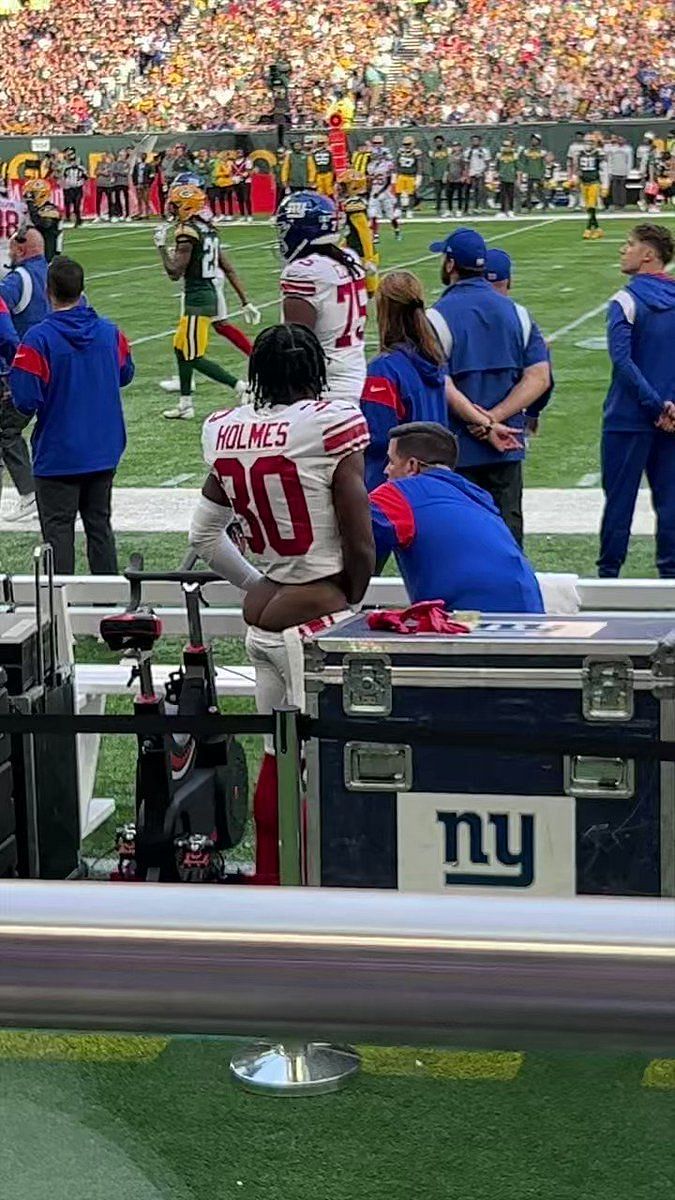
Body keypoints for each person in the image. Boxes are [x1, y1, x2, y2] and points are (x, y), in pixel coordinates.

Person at [191, 324, 374, 884]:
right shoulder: (331, 424)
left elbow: (203, 537)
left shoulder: (223, 429)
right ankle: (318, 886)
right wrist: (351, 592)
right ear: (315, 369)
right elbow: (360, 538)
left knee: (277, 756)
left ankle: (272, 878)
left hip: (265, 621)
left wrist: (257, 585)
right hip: (315, 621)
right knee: (321, 770)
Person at [9, 256, 134, 574]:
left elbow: (25, 400)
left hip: (59, 454)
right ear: (82, 289)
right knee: (100, 530)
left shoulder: (38, 339)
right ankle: (108, 610)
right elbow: (125, 373)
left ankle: (61, 614)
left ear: (48, 292)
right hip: (103, 450)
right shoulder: (110, 332)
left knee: (58, 535)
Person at [426, 227, 551, 544]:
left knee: (459, 543)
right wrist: (496, 417)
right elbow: (539, 377)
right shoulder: (518, 313)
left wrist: (481, 421)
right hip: (506, 446)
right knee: (507, 541)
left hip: (454, 449)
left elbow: (439, 382)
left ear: (451, 265)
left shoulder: (436, 317)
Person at [362, 270, 518, 490]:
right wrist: (488, 424)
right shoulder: (433, 362)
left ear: (383, 311)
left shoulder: (384, 370)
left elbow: (379, 440)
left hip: (395, 490)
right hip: (434, 482)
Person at [370, 423, 544, 613]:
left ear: (412, 466)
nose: (386, 470)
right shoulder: (477, 496)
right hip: (530, 606)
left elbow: (350, 526)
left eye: (391, 462)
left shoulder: (400, 493)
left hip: (472, 616)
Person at [598, 224, 675, 579]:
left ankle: (609, 576)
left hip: (629, 418)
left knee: (619, 501)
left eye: (629, 245)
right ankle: (670, 579)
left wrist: (653, 404)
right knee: (670, 502)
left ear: (648, 255)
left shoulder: (625, 300)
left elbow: (622, 361)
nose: (621, 251)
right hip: (671, 419)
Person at [154, 182, 259, 420]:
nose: (171, 207)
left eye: (176, 204)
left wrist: (161, 247)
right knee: (180, 348)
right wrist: (245, 301)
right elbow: (228, 268)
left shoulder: (187, 232)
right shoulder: (207, 229)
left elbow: (174, 273)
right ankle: (185, 404)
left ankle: (239, 386)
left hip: (197, 299)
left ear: (187, 206)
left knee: (193, 355)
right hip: (205, 293)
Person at [277, 190, 367, 399]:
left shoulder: (304, 271)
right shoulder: (348, 258)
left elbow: (296, 345)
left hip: (324, 386)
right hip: (355, 375)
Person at [0, 226, 50, 522]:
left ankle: (29, 494)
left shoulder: (18, 279)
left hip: (24, 367)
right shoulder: (54, 272)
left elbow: (5, 328)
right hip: (57, 366)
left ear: (21, 249)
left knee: (8, 430)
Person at [336, 169, 378, 296]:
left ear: (353, 186)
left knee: (368, 292)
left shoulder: (354, 205)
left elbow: (364, 232)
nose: (340, 188)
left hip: (360, 251)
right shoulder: (352, 202)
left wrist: (368, 257)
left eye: (344, 185)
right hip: (353, 247)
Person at [366, 138, 401, 243]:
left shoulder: (387, 165)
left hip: (385, 192)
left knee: (391, 215)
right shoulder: (370, 166)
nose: (373, 156)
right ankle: (375, 235)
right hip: (374, 191)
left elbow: (389, 181)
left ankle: (397, 230)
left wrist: (380, 192)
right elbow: (370, 180)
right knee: (372, 214)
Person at [22, 179, 62, 262]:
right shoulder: (30, 210)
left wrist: (31, 207)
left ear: (42, 194)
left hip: (47, 253)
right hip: (32, 252)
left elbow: (43, 224)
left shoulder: (50, 209)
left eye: (33, 193)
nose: (29, 196)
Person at [575, 133, 606, 240]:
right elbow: (577, 168)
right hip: (584, 182)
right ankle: (597, 229)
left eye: (591, 142)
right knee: (589, 208)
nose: (589, 144)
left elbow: (603, 168)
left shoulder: (598, 153)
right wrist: (576, 178)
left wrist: (604, 184)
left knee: (592, 206)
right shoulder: (580, 154)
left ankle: (588, 229)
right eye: (587, 142)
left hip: (594, 182)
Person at [393, 134, 422, 220]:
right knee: (398, 193)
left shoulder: (416, 153)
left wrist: (418, 177)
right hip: (401, 174)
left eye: (408, 144)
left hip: (411, 175)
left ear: (413, 144)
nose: (406, 146)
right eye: (405, 144)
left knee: (411, 194)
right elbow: (396, 163)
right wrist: (395, 174)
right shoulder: (400, 151)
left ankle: (409, 210)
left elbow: (419, 166)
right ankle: (398, 208)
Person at [59, 148, 87, 228]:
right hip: (69, 187)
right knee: (68, 203)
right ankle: (69, 218)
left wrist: (81, 180)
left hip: (78, 187)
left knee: (77, 205)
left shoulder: (80, 168)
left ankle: (78, 220)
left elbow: (86, 176)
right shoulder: (65, 167)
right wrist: (64, 184)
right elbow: (62, 176)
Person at [463, 134, 490, 213]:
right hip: (471, 173)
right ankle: (474, 206)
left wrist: (484, 171)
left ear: (480, 141)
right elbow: (466, 163)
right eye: (473, 140)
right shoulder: (468, 151)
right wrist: (467, 173)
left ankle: (482, 206)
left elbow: (487, 162)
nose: (475, 142)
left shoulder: (484, 151)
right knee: (472, 191)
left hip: (481, 172)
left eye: (477, 140)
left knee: (481, 190)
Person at [495, 137, 518, 218]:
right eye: (504, 145)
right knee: (502, 195)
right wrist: (496, 175)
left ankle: (510, 210)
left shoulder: (514, 155)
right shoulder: (499, 155)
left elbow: (517, 166)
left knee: (510, 194)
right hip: (502, 176)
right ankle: (502, 210)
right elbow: (497, 166)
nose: (506, 147)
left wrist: (518, 177)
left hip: (511, 177)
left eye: (508, 145)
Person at [131, 152, 155, 219]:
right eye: (142, 156)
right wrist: (135, 183)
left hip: (145, 184)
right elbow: (134, 174)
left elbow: (152, 175)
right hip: (138, 183)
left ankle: (146, 213)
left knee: (146, 199)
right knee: (139, 199)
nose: (143, 157)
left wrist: (149, 183)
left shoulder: (149, 166)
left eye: (144, 156)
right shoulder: (137, 165)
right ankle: (140, 212)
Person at [311, 134, 335, 198]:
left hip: (328, 172)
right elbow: (312, 164)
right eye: (319, 143)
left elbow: (332, 163)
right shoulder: (313, 153)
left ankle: (331, 201)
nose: (320, 145)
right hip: (318, 173)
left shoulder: (329, 152)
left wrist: (333, 172)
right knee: (320, 189)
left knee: (329, 189)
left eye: (322, 143)